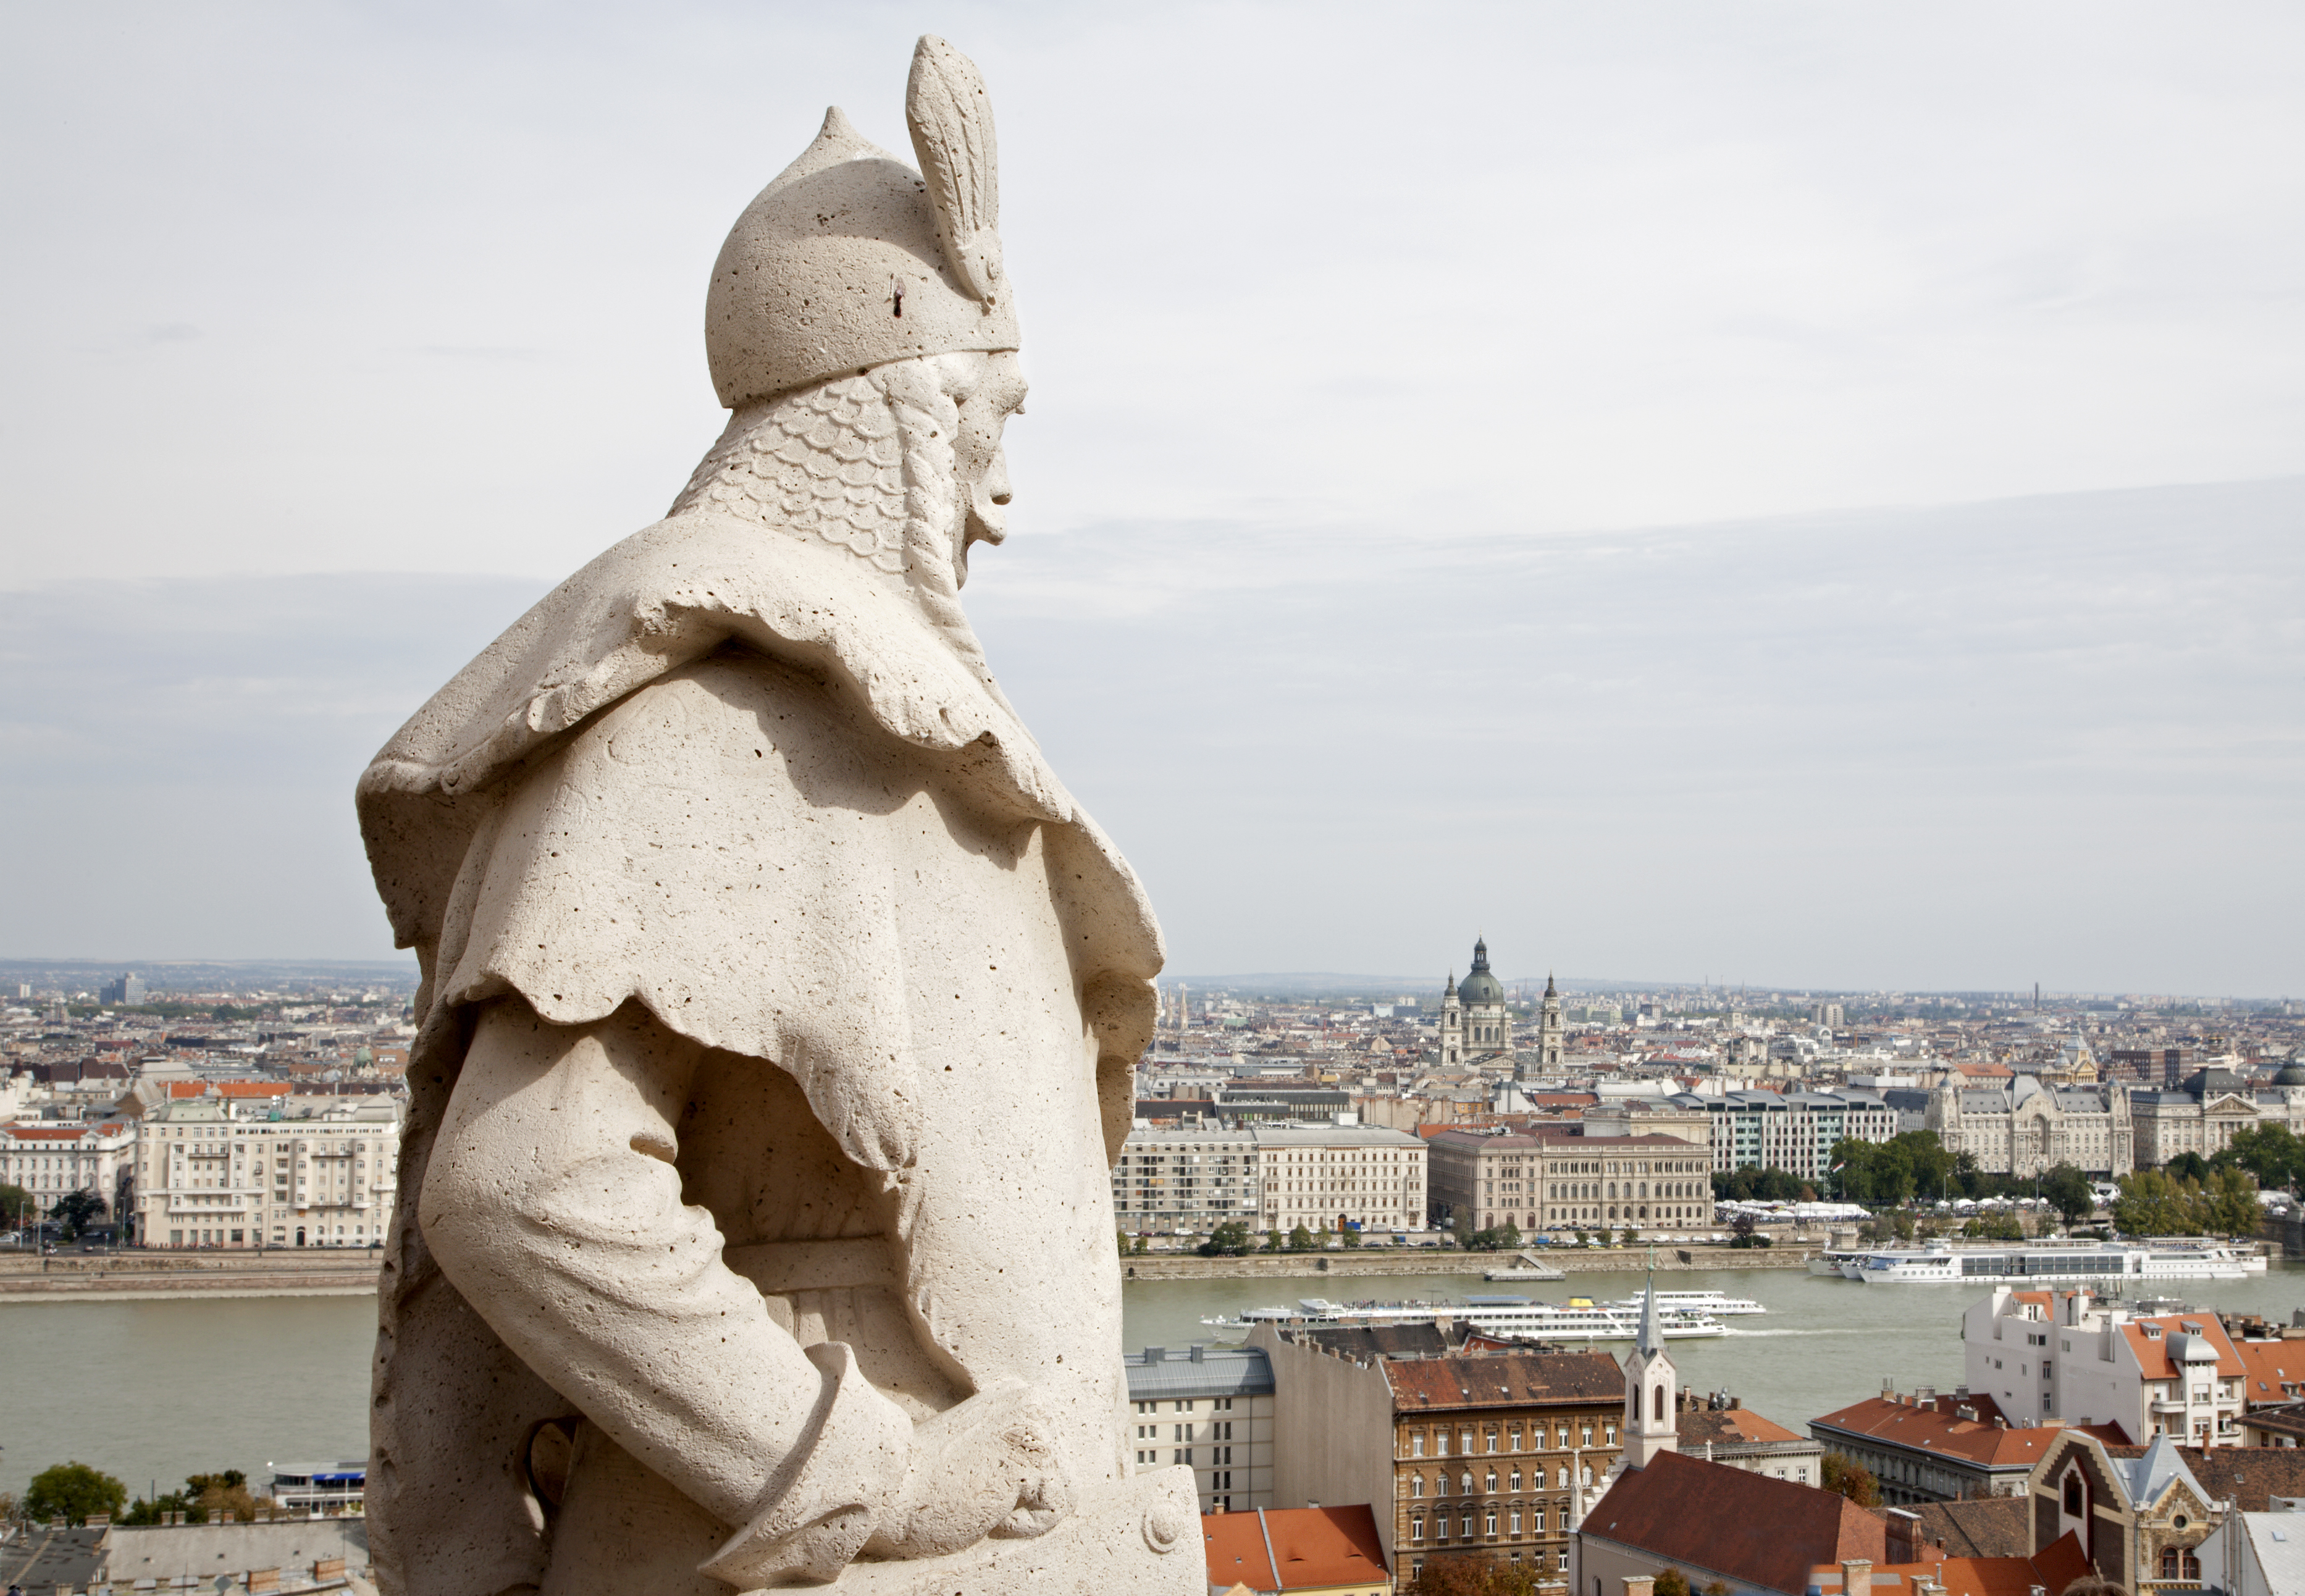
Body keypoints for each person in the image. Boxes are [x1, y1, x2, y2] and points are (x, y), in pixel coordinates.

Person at [357, 36, 1187, 1596]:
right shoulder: (699, 742)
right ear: (892, 426)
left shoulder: (888, 752)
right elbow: (523, 1182)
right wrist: (877, 1471)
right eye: (986, 431)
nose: (999, 499)